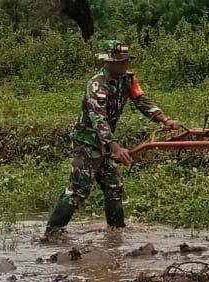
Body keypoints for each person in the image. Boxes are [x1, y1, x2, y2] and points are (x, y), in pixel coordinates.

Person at [43, 40, 183, 237]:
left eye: (126, 61)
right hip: (88, 141)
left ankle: (115, 233)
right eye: (120, 62)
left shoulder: (128, 80)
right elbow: (98, 118)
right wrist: (116, 147)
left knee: (113, 187)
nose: (125, 65)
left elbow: (141, 101)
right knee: (78, 189)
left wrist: (165, 120)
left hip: (107, 143)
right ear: (108, 62)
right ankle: (52, 233)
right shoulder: (96, 85)